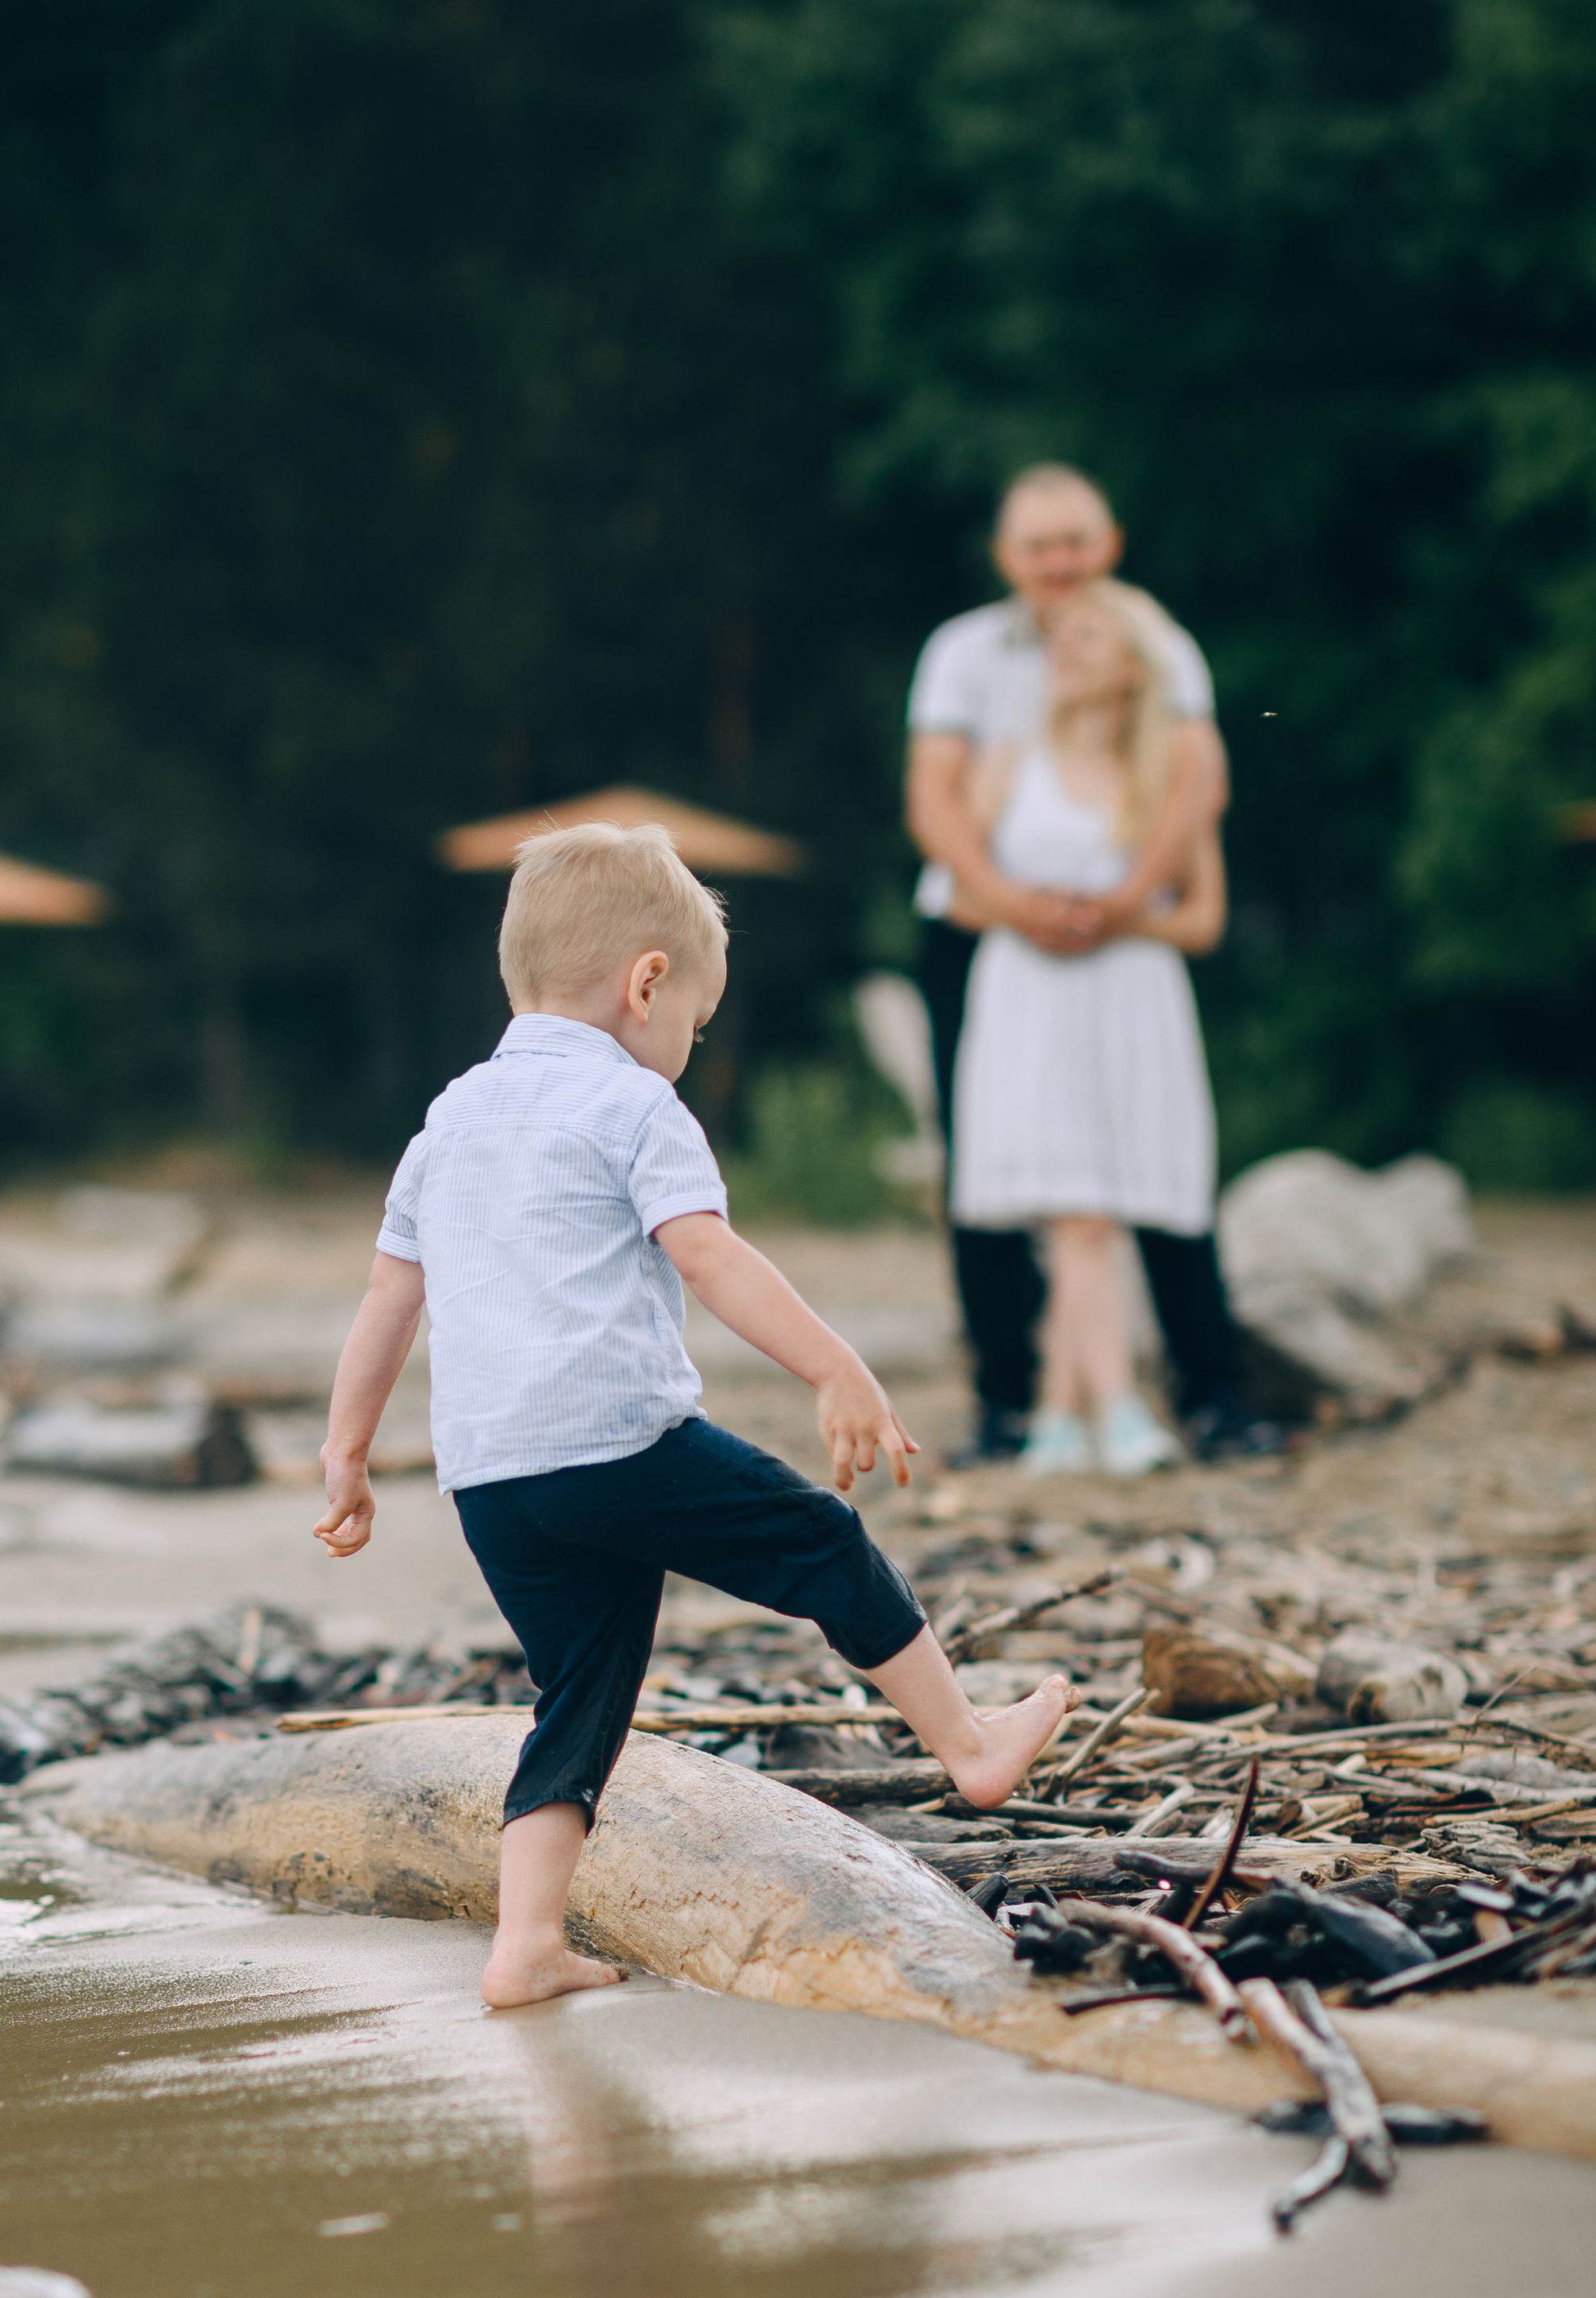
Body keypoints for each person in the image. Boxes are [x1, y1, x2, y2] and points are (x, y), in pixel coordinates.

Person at [312, 821, 1071, 2007]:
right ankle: (969, 1748)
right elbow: (710, 1258)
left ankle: (526, 1943)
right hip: (617, 1443)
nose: (686, 1048)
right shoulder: (630, 1103)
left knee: (577, 1693)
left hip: (493, 1483)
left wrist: (346, 1453)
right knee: (821, 1542)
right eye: (693, 1024)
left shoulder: (451, 1115)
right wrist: (834, 1366)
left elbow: (387, 1297)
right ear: (646, 982)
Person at [906, 464, 1269, 1462]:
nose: (1056, 563)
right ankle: (1011, 1397)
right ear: (1006, 556)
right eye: (1036, 545)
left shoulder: (1157, 640)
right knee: (991, 1163)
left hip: (1115, 929)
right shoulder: (965, 652)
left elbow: (1198, 783)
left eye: (1073, 541)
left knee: (1145, 1156)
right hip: (985, 932)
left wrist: (1120, 903)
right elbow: (935, 801)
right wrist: (1012, 903)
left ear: (1107, 542)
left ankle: (1210, 1389)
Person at [952, 583, 1226, 1472]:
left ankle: (1056, 1413)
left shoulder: (1172, 773)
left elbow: (1200, 917)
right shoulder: (1004, 763)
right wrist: (1033, 913)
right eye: (1056, 639)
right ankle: (1121, 1408)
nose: (1061, 649)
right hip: (1030, 995)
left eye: (1086, 636)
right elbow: (956, 893)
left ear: (1133, 664)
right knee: (1079, 1213)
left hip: (1128, 996)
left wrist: (1109, 919)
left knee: (1094, 1213)